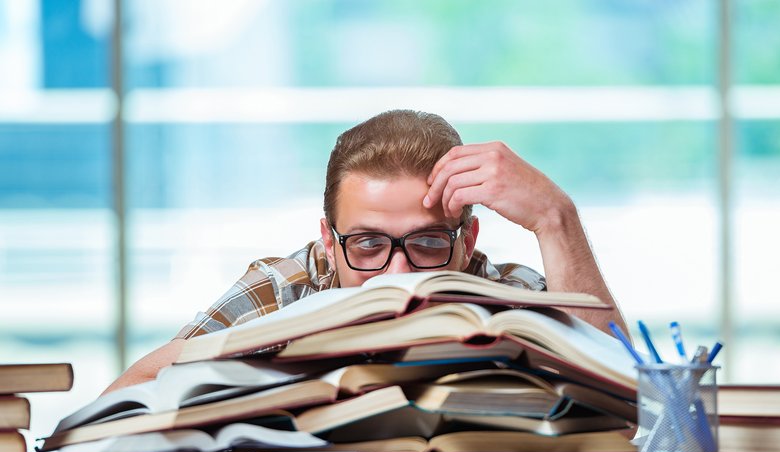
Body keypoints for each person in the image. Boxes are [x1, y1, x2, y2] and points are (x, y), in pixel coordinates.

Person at [103, 109, 626, 394]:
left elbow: (632, 404)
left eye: (426, 243)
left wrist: (556, 220)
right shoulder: (286, 286)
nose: (397, 274)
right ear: (328, 244)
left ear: (467, 243)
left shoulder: (515, 294)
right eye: (369, 244)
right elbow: (129, 394)